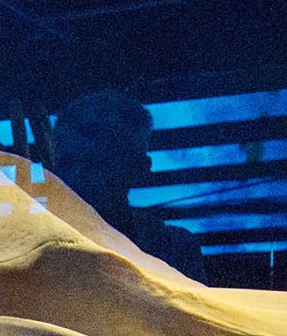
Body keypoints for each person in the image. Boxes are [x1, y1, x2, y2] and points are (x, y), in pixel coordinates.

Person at [49, 89, 205, 282]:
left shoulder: (175, 249)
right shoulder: (38, 248)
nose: (77, 176)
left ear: (139, 168)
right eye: (67, 163)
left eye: (99, 164)